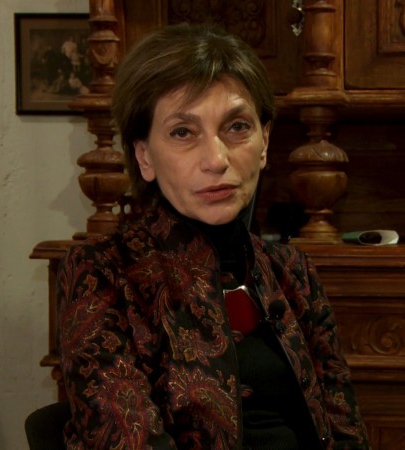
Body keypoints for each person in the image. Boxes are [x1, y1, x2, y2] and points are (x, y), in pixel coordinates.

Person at [56, 23, 370, 449]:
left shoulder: (293, 272)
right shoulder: (102, 273)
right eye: (183, 132)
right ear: (144, 156)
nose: (217, 159)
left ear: (264, 142)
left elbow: (346, 430)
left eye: (237, 127)